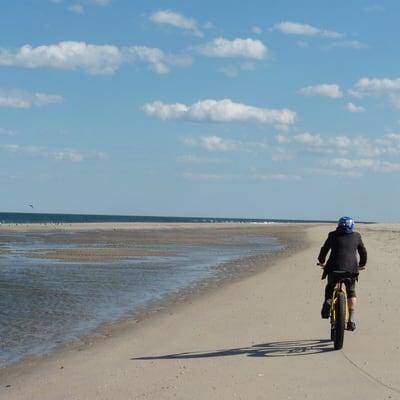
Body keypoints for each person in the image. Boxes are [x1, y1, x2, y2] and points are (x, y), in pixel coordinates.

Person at [317, 216, 367, 331]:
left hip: (333, 269)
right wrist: (362, 264)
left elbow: (324, 249)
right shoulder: (357, 236)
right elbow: (363, 252)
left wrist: (321, 261)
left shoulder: (332, 235)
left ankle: (328, 301)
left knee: (330, 287)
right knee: (351, 293)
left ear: (339, 225)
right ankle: (351, 320)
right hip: (350, 270)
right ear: (352, 226)